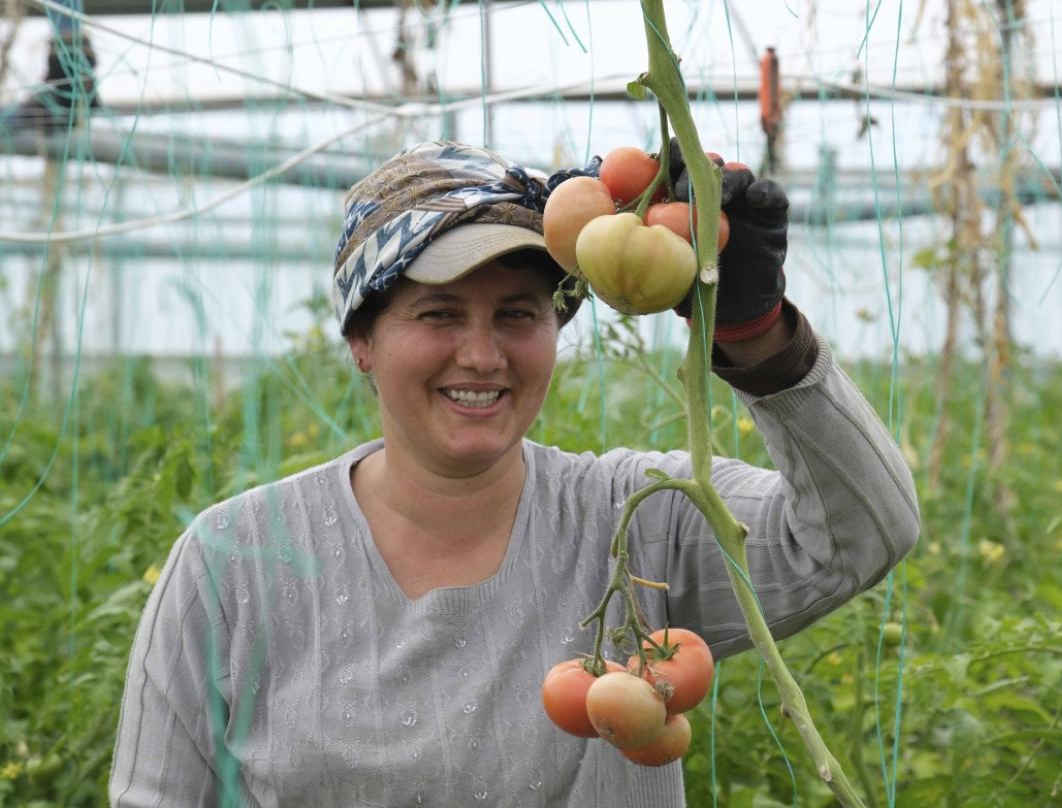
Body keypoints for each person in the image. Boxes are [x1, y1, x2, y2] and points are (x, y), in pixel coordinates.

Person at [109, 140, 920, 807]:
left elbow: (859, 533)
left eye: (518, 314)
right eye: (438, 313)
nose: (482, 354)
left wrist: (758, 338)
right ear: (361, 340)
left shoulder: (638, 515)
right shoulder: (233, 561)